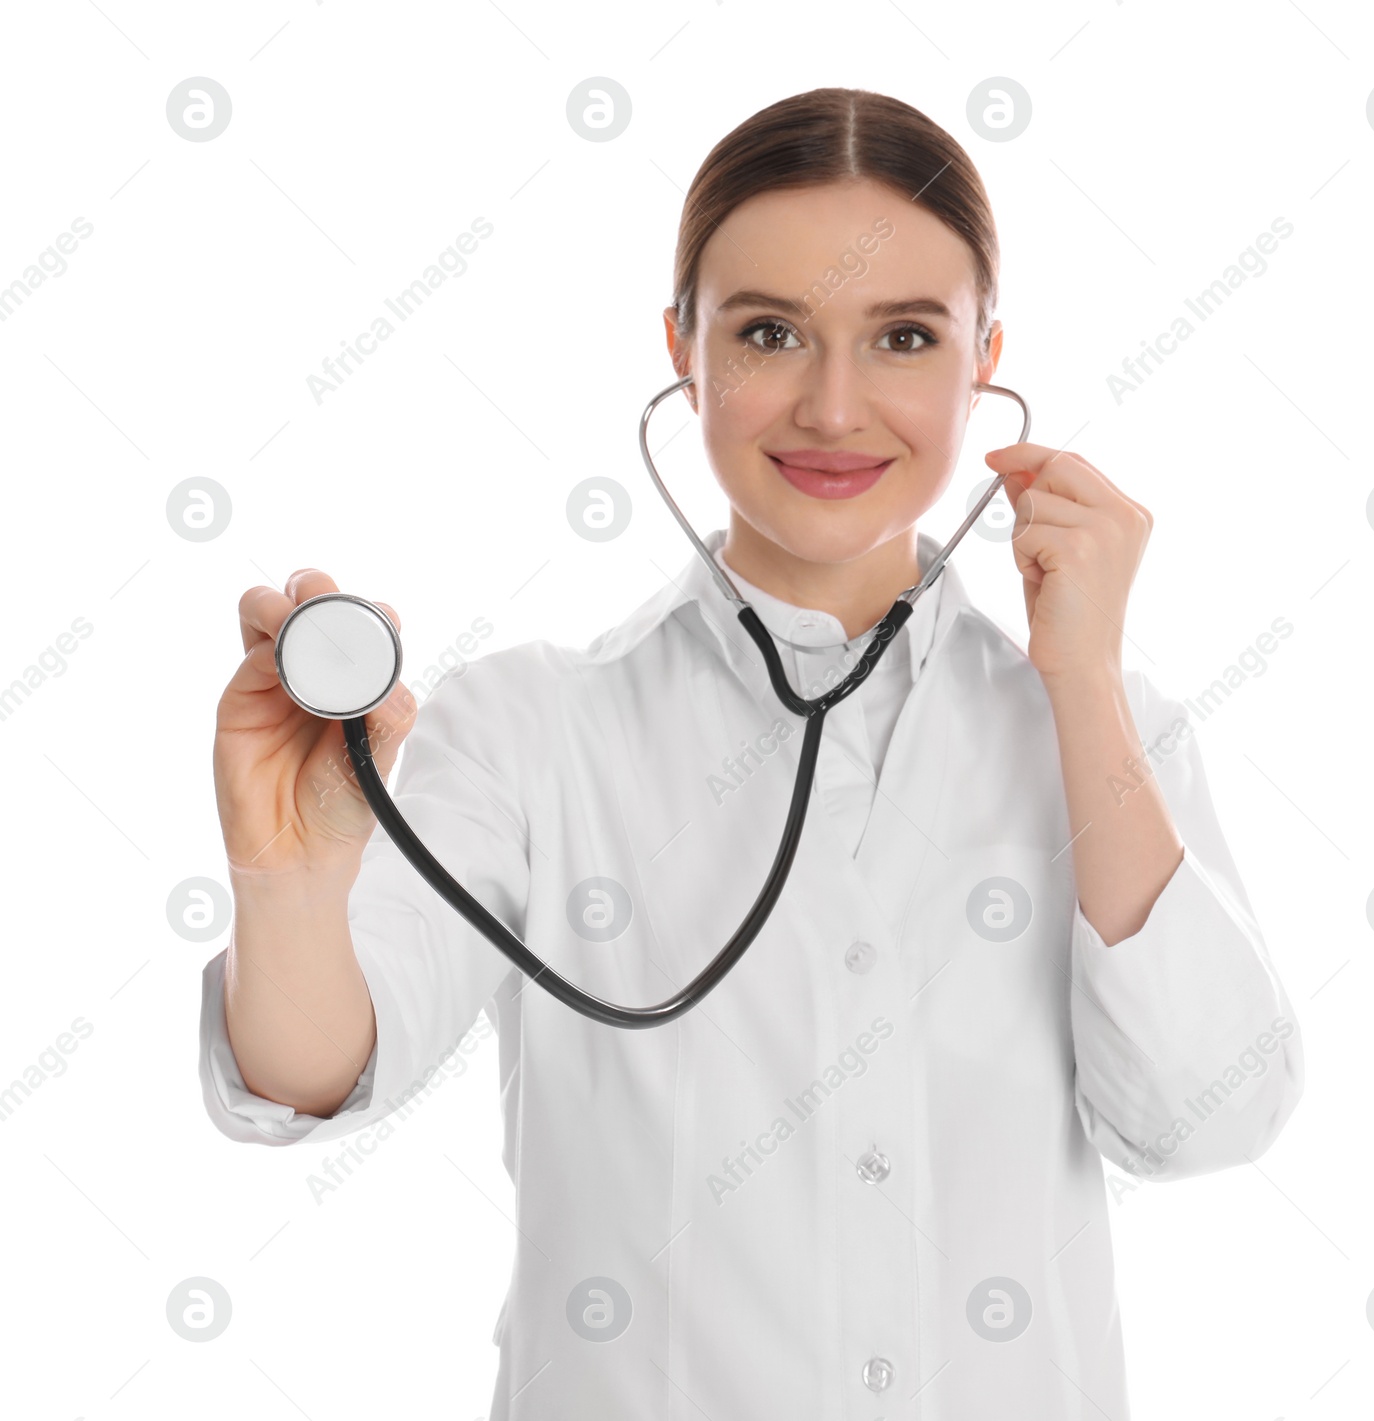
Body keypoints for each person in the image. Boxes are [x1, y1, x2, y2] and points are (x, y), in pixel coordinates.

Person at [202, 86, 1304, 1419]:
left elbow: (1206, 1117)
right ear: (683, 349)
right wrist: (289, 877)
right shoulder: (533, 729)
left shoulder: (1100, 733)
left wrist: (1077, 678)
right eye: (770, 332)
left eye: (904, 336)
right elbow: (311, 1073)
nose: (835, 408)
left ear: (984, 360)